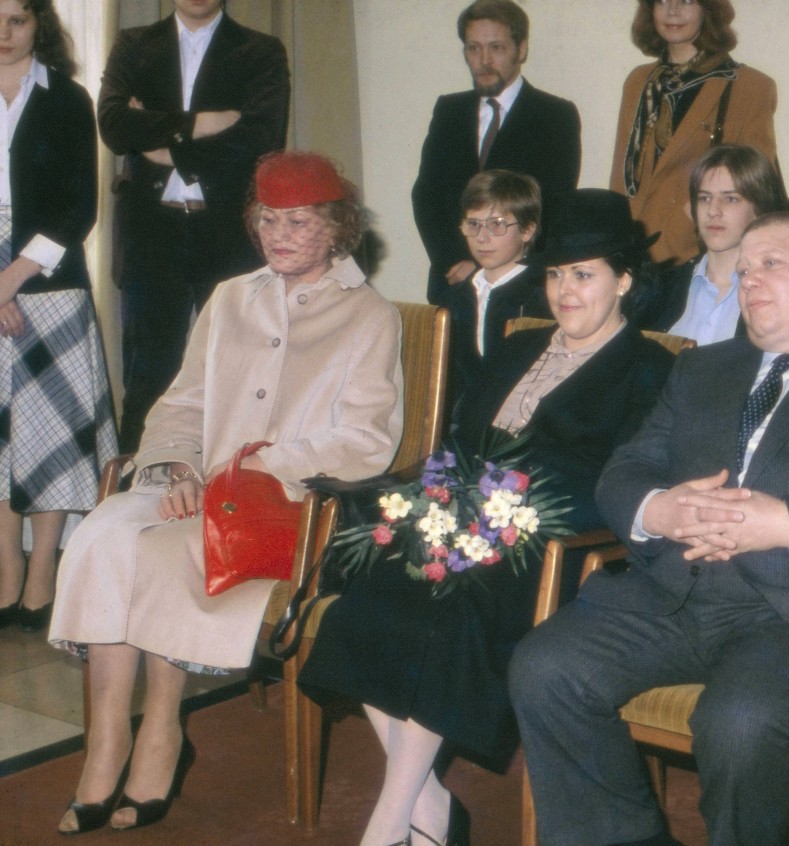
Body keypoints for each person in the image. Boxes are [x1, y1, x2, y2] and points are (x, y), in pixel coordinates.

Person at [511, 211, 789, 846]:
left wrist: (782, 522)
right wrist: (656, 508)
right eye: (744, 270)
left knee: (737, 723)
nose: (750, 281)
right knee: (543, 667)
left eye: (772, 264)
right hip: (678, 591)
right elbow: (627, 468)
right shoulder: (702, 369)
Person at [298, 188, 674, 846]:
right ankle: (430, 807)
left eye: (583, 274)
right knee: (365, 582)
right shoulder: (515, 348)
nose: (564, 291)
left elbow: (623, 483)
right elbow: (456, 445)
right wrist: (441, 501)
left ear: (624, 281)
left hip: (554, 549)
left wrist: (512, 507)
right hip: (463, 522)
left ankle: (390, 819)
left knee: (449, 603)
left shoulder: (650, 369)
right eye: (556, 274)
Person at [47, 152, 404, 836]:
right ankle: (105, 743)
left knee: (157, 555)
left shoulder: (369, 316)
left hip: (290, 506)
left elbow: (366, 441)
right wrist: (176, 467)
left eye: (299, 221)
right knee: (100, 535)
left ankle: (160, 734)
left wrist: (256, 468)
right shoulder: (231, 297)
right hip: (199, 487)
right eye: (267, 219)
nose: (279, 234)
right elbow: (183, 402)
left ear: (336, 227)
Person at [98, 0, 290, 452]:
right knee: (147, 382)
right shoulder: (134, 45)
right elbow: (113, 125)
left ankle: (226, 505)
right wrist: (202, 123)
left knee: (234, 379)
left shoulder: (261, 51)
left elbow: (260, 140)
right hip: (151, 237)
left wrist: (164, 146)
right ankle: (134, 502)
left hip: (226, 237)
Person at [0, 0, 115, 634]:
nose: (4, 35)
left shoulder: (68, 99)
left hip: (50, 280)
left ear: (39, 23)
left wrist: (11, 279)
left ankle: (43, 571)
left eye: (16, 20)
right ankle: (5, 571)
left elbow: (77, 209)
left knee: (50, 435)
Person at [412, 0, 581, 305]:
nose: (484, 60)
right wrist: (455, 261)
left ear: (521, 50)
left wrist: (487, 266)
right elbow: (426, 196)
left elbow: (552, 206)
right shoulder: (449, 110)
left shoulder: (555, 115)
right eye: (474, 48)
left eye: (497, 48)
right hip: (452, 282)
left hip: (519, 286)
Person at [612, 0, 779, 266]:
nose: (672, 10)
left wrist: (667, 243)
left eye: (687, 1)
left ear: (708, 9)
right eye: (661, 1)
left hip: (693, 256)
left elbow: (752, 189)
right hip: (631, 254)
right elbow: (621, 182)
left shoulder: (750, 87)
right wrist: (617, 250)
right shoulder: (638, 82)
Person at [644, 143, 789, 343]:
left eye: (730, 199)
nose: (713, 211)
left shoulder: (779, 291)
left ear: (759, 209)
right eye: (704, 198)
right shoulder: (661, 287)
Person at [434, 169, 550, 414]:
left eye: (497, 225)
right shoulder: (453, 299)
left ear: (527, 230)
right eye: (473, 224)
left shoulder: (545, 297)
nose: (482, 237)